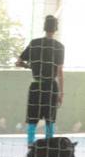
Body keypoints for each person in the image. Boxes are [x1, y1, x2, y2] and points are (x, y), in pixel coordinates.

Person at [16, 15, 64, 146]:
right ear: (56, 29)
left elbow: (18, 62)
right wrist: (61, 93)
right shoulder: (59, 47)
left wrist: (30, 66)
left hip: (36, 86)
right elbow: (59, 72)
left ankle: (30, 146)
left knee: (32, 119)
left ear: (44, 27)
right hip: (51, 88)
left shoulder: (34, 43)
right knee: (50, 120)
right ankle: (49, 148)